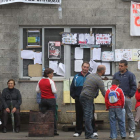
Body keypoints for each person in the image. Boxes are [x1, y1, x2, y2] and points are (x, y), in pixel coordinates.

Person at [70, 62, 98, 137]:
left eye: (87, 67)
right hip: (78, 99)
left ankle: (93, 131)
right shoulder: (76, 76)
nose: (85, 68)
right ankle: (78, 131)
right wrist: (74, 96)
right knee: (79, 115)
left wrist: (94, 96)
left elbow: (96, 87)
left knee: (90, 115)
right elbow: (72, 88)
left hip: (89, 99)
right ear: (81, 67)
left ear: (88, 68)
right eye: (84, 67)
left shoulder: (92, 76)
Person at [80, 65, 106, 139]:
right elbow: (104, 93)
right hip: (88, 97)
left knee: (89, 116)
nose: (105, 72)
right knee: (88, 116)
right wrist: (111, 101)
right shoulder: (99, 80)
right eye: (105, 70)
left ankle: (88, 133)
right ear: (102, 71)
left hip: (82, 96)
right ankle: (89, 134)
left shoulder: (90, 75)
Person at [113, 60, 137, 139]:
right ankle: (118, 132)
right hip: (117, 99)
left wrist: (129, 95)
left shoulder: (130, 75)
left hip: (126, 97)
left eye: (121, 66)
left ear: (126, 66)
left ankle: (132, 132)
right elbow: (113, 86)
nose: (120, 67)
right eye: (119, 66)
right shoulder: (116, 75)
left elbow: (134, 86)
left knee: (129, 115)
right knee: (117, 116)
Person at [36, 68, 59, 136]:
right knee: (52, 115)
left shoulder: (40, 81)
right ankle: (54, 131)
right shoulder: (51, 81)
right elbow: (54, 91)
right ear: (48, 74)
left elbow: (37, 90)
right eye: (51, 73)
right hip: (51, 99)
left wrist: (43, 91)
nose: (52, 75)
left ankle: (43, 130)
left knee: (43, 115)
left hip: (43, 99)